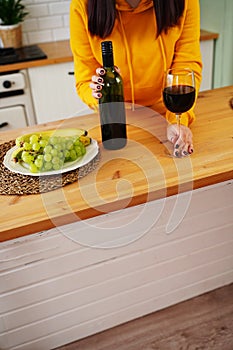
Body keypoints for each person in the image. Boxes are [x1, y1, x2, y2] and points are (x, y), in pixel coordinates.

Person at [70, 0, 202, 157]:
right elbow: (85, 80)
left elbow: (186, 65)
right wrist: (97, 95)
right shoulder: (82, 5)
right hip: (115, 122)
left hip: (163, 115)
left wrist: (177, 120)